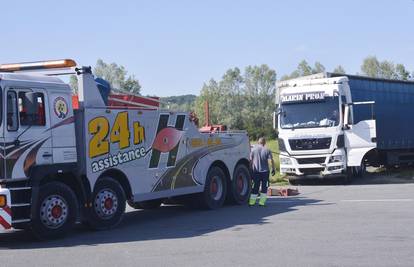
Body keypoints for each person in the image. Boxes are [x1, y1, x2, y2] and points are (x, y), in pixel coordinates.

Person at [249, 137, 275, 206]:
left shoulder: (253, 150)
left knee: (255, 187)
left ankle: (252, 202)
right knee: (264, 187)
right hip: (265, 172)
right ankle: (261, 203)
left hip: (256, 172)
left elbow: (250, 162)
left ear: (258, 142)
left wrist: (250, 170)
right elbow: (271, 160)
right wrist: (273, 168)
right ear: (265, 142)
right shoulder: (267, 150)